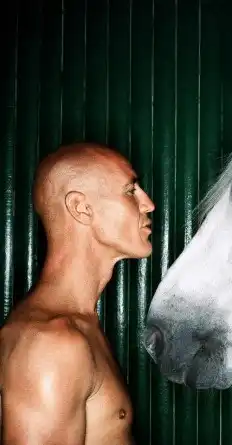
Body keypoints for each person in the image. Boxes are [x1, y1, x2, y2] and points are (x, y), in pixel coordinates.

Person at [0, 142, 155, 444]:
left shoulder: (80, 326)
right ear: (81, 208)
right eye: (130, 190)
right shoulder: (51, 344)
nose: (148, 204)